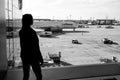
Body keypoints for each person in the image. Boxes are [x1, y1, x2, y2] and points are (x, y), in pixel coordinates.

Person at [19, 14, 43, 80]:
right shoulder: (32, 32)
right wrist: (40, 57)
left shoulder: (21, 32)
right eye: (31, 19)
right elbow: (36, 47)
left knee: (26, 75)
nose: (33, 20)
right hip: (33, 56)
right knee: (39, 76)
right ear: (29, 20)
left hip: (24, 56)